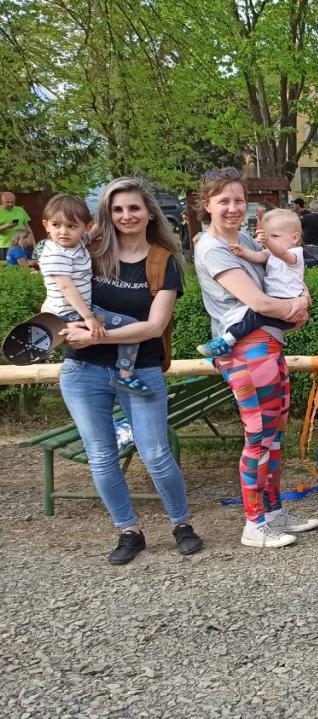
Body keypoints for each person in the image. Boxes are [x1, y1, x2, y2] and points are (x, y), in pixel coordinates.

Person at [56, 177, 202, 565]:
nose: (126, 216)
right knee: (101, 457)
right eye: (117, 209)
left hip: (141, 369)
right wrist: (62, 325)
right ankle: (128, 530)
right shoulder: (88, 253)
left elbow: (154, 327)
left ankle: (182, 523)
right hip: (83, 370)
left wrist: (95, 335)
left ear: (149, 212)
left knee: (155, 453)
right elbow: (57, 295)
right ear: (108, 214)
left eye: (134, 208)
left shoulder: (163, 261)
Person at [193, 168, 318, 549]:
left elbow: (283, 277)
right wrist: (295, 307)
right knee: (259, 436)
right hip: (246, 353)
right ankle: (254, 522)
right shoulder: (212, 249)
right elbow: (260, 302)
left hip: (269, 346)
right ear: (207, 204)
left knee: (274, 435)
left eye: (238, 200)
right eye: (223, 201)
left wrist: (298, 301)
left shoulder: (245, 240)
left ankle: (273, 511)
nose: (233, 208)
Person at [39, 194, 150, 395]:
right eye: (56, 225)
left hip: (81, 310)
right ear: (46, 225)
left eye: (71, 226)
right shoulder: (55, 253)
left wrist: (111, 210)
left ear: (85, 227)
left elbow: (96, 228)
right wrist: (89, 318)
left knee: (131, 327)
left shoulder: (77, 243)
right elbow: (66, 287)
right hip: (71, 314)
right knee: (131, 327)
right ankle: (126, 375)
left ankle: (125, 374)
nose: (63, 232)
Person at [196, 209, 305, 358]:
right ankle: (225, 342)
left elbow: (282, 254)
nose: (270, 241)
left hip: (284, 302)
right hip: (280, 304)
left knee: (253, 317)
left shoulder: (295, 253)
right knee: (254, 316)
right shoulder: (271, 252)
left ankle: (226, 341)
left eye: (275, 236)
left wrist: (268, 242)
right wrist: (243, 252)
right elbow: (259, 256)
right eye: (268, 236)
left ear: (295, 238)